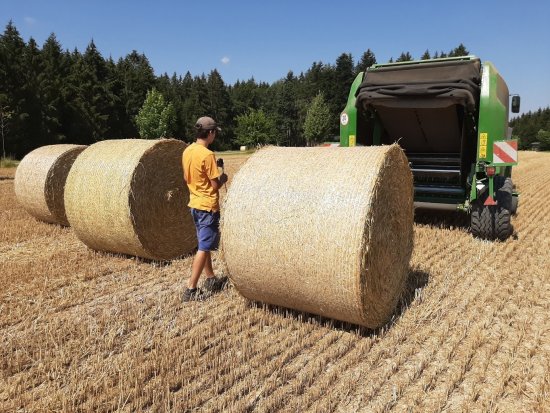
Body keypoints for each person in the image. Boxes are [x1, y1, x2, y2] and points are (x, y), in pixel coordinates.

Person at [182, 116, 228, 302]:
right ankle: (190, 289)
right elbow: (215, 185)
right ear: (210, 133)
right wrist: (223, 176)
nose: (215, 135)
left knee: (205, 243)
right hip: (207, 206)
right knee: (203, 247)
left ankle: (210, 278)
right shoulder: (207, 155)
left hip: (194, 204)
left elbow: (187, 179)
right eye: (215, 132)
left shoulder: (188, 151)